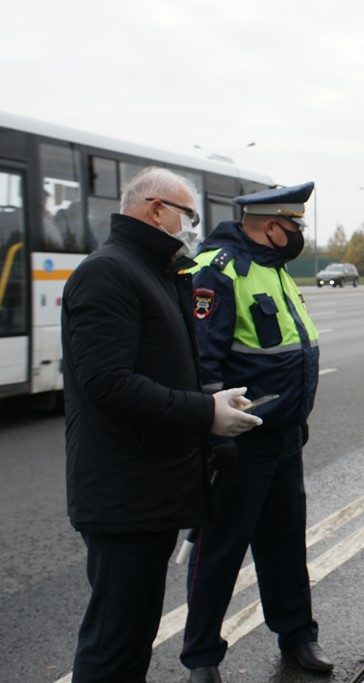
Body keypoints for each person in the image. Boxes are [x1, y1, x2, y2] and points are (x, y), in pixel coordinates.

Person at [62, 167, 262, 682]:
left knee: (132, 638)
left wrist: (210, 399)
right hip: (123, 497)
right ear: (156, 210)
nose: (193, 229)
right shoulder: (108, 272)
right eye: (188, 217)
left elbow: (157, 371)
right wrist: (205, 413)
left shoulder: (155, 270)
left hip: (148, 493)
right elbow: (107, 382)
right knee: (113, 642)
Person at [180, 182, 331, 682]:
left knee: (285, 544)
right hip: (239, 441)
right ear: (272, 227)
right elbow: (204, 364)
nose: (297, 236)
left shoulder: (274, 270)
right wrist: (217, 437)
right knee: (219, 551)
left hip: (283, 436)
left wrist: (296, 419)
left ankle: (297, 636)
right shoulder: (219, 271)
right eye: (294, 227)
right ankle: (202, 657)